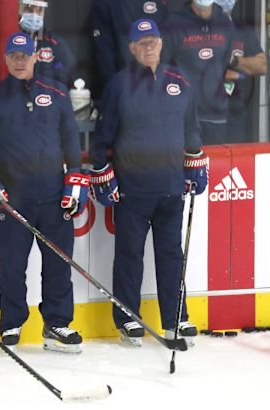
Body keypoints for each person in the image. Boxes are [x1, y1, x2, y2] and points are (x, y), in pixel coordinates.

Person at [0, 32, 89, 354]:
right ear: (6, 59)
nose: (20, 61)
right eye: (14, 56)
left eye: (25, 55)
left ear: (36, 57)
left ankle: (57, 323)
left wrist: (75, 175)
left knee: (59, 264)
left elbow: (70, 139)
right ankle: (11, 324)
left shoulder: (57, 93)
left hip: (53, 196)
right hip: (13, 200)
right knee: (12, 265)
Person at [89, 19, 208, 347]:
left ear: (161, 43)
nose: (149, 46)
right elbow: (101, 140)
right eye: (142, 43)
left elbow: (192, 129)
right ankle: (127, 318)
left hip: (171, 189)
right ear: (132, 48)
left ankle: (175, 318)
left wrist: (195, 161)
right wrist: (102, 174)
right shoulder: (119, 85)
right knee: (129, 255)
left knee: (172, 255)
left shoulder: (179, 81)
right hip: (133, 190)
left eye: (153, 40)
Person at [162, 0, 235, 145]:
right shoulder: (173, 24)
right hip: (183, 114)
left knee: (216, 166)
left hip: (216, 113)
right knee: (187, 165)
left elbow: (226, 62)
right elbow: (163, 69)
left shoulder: (225, 22)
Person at [216, 0, 267, 143]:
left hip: (236, 113)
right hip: (206, 116)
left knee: (235, 162)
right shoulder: (199, 30)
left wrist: (233, 61)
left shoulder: (243, 30)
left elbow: (262, 66)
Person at [91, 0, 169, 90]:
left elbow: (166, 48)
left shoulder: (160, 4)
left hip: (158, 87)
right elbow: (104, 55)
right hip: (124, 87)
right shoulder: (106, 4)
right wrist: (117, 90)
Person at [18, 0, 76, 87]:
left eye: (38, 11)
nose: (34, 15)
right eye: (29, 10)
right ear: (19, 10)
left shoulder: (53, 42)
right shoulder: (11, 39)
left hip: (47, 95)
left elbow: (66, 66)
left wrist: (52, 72)